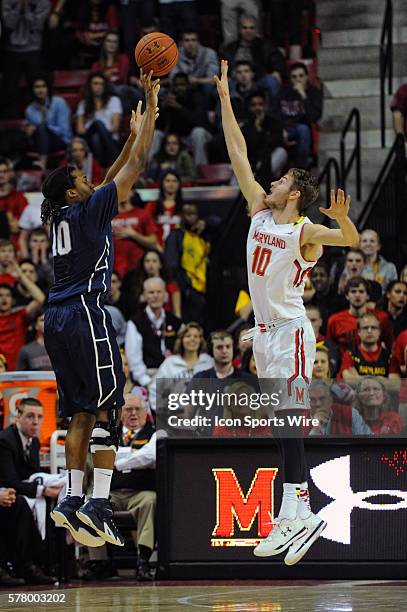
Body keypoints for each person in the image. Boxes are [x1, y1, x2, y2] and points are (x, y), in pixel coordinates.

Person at [214, 58, 360, 565]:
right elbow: (237, 152)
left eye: (279, 180)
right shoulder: (258, 207)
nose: (269, 182)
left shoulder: (302, 231)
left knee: (290, 416)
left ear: (294, 194)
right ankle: (293, 511)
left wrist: (341, 220)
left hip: (294, 332)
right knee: (280, 423)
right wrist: (227, 102)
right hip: (264, 334)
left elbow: (349, 239)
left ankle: (299, 512)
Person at [42, 71, 159, 549]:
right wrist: (149, 111)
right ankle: (98, 504)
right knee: (112, 405)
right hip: (87, 313)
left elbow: (109, 179)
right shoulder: (88, 209)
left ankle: (70, 498)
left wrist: (126, 138)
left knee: (79, 416)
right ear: (73, 193)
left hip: (55, 320)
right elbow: (137, 167)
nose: (91, 181)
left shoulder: (63, 214)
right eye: (81, 179)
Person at [86, 394, 157, 581]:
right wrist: (133, 455)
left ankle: (143, 560)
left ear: (145, 412)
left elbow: (149, 456)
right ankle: (100, 563)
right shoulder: (108, 433)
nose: (133, 414)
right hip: (113, 493)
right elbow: (98, 458)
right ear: (120, 413)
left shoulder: (155, 433)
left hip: (140, 493)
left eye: (138, 409)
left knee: (150, 500)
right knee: (92, 503)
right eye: (128, 409)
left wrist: (117, 459)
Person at [0, 397, 59, 584]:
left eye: (39, 417)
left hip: (14, 491)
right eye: (30, 416)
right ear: (17, 417)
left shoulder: (33, 442)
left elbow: (32, 475)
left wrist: (50, 484)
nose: (35, 421)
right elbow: (11, 481)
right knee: (22, 504)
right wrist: (43, 490)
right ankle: (23, 565)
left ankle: (43, 564)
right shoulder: (5, 441)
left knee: (51, 505)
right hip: (6, 492)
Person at [125, 277, 183, 387]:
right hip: (149, 377)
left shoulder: (175, 322)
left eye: (159, 292)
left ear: (165, 295)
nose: (155, 296)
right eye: (151, 292)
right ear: (144, 296)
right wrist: (147, 382)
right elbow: (134, 360)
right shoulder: (135, 323)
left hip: (175, 377)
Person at [1, 0, 51, 116]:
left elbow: (37, 25)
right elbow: (8, 24)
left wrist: (26, 8)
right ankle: (9, 122)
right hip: (11, 49)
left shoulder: (43, 2)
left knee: (34, 87)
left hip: (33, 49)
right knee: (9, 89)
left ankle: (37, 118)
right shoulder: (7, 1)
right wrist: (19, 6)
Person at [150, 322, 214, 412]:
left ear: (201, 340)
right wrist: (164, 413)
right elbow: (155, 390)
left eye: (196, 336)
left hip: (204, 420)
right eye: (188, 336)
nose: (192, 339)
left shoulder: (209, 362)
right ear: (181, 340)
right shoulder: (170, 363)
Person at [165, 203, 210, 325]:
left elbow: (219, 223)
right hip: (187, 291)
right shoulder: (176, 235)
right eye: (187, 213)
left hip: (203, 288)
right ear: (181, 215)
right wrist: (185, 288)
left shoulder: (202, 235)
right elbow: (172, 264)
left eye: (193, 213)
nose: (190, 217)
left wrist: (206, 223)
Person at [153, 73, 213, 166]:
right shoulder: (169, 98)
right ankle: (151, 170)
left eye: (182, 85)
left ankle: (201, 169)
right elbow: (159, 126)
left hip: (195, 136)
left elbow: (200, 121)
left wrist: (178, 107)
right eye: (176, 85)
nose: (179, 88)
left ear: (188, 85)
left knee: (198, 132)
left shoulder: (197, 96)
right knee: (156, 134)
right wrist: (162, 108)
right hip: (176, 137)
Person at [326, 277, 393, 354]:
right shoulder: (334, 320)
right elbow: (329, 349)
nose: (357, 295)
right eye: (353, 291)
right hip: (345, 364)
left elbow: (389, 345)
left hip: (374, 364)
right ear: (347, 296)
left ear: (367, 296)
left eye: (361, 291)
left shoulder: (382, 317)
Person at [0, 262, 46, 370]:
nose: (4, 299)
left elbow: (40, 299)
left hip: (18, 373)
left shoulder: (19, 316)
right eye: (0, 295)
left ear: (13, 300)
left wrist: (21, 275)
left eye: (7, 295)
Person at [279, 62, 323, 169]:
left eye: (301, 76)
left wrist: (303, 95)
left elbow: (314, 117)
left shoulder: (314, 93)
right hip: (284, 128)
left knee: (303, 130)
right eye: (294, 77)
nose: (298, 79)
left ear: (307, 77)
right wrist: (281, 129)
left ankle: (300, 171)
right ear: (290, 79)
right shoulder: (283, 92)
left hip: (302, 128)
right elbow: (274, 113)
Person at [24, 75, 72, 169]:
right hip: (40, 142)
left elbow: (64, 130)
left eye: (43, 86)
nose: (40, 90)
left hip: (61, 140)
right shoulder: (29, 109)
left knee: (42, 127)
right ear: (32, 90)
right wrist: (30, 131)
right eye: (37, 87)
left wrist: (44, 127)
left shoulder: (59, 102)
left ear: (48, 88)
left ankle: (42, 163)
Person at [76, 72, 123, 167]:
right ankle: (116, 160)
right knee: (97, 124)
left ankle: (99, 168)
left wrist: (103, 132)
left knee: (96, 138)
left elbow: (115, 127)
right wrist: (95, 129)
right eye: (95, 83)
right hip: (88, 136)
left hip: (110, 138)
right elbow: (79, 129)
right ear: (90, 86)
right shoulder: (83, 104)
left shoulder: (114, 100)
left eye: (102, 84)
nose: (99, 86)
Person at [91, 30, 140, 114]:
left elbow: (122, 77)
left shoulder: (123, 59)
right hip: (105, 95)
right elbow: (94, 83)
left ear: (118, 45)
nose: (112, 44)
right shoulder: (96, 65)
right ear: (104, 43)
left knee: (122, 90)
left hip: (122, 93)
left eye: (115, 42)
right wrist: (109, 73)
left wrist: (104, 75)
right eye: (109, 41)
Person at [124, 248, 181, 319]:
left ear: (160, 264)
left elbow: (177, 312)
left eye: (154, 261)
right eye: (147, 261)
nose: (151, 264)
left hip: (167, 321)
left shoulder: (171, 285)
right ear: (143, 264)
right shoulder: (137, 285)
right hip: (144, 322)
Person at [111, 192, 157, 278]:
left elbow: (153, 242)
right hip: (112, 268)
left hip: (137, 268)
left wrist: (133, 234)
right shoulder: (108, 214)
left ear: (132, 193)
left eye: (127, 189)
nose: (123, 192)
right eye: (120, 189)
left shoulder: (142, 214)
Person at [339, 313, 392, 380]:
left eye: (373, 327)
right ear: (359, 332)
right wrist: (381, 380)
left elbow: (394, 385)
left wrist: (359, 378)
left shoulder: (389, 356)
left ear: (379, 332)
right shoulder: (350, 354)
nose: (369, 331)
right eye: (365, 328)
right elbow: (348, 380)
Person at [146, 170, 184, 247]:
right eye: (168, 181)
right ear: (162, 183)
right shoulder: (152, 205)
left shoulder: (184, 206)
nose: (171, 184)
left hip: (178, 249)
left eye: (174, 181)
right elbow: (146, 228)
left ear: (179, 184)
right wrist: (157, 247)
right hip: (157, 248)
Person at [0, 158, 28, 251]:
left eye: (4, 171)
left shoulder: (19, 198)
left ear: (9, 173)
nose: (1, 175)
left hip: (15, 247)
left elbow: (21, 227)